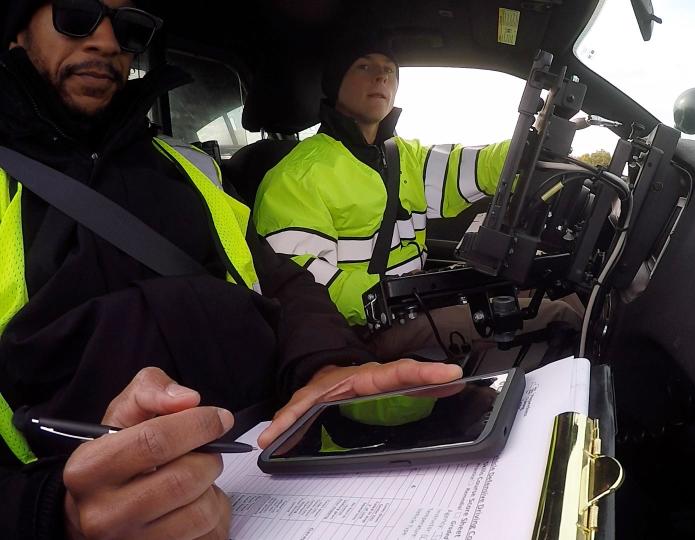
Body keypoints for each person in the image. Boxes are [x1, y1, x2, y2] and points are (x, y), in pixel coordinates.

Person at [0, 1, 461, 538]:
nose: (106, 42)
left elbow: (277, 279)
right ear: (16, 31)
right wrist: (52, 512)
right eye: (76, 15)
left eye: (129, 28)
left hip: (272, 465)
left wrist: (327, 366)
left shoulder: (190, 167)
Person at [254, 36, 584, 360]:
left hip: (411, 305)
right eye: (364, 66)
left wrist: (533, 140)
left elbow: (475, 166)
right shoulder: (295, 177)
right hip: (360, 335)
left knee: (560, 292)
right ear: (335, 82)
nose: (381, 76)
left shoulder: (402, 154)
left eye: (390, 70)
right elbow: (304, 288)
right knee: (557, 315)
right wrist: (407, 294)